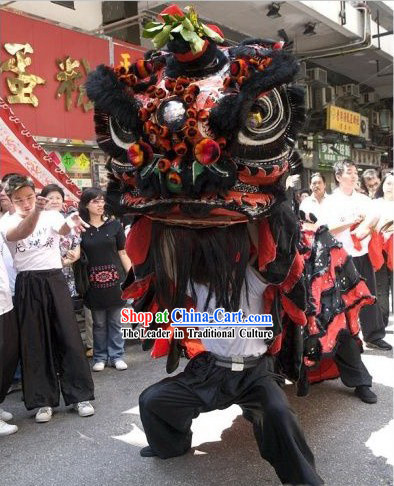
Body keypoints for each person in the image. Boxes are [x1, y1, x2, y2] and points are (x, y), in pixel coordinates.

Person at [1, 175, 95, 423]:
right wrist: (37, 212)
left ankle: (79, 396)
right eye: (18, 199)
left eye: (30, 197)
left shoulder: (51, 215)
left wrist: (71, 221)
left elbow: (62, 229)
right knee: (34, 341)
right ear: (10, 200)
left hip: (54, 278)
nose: (26, 202)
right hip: (27, 283)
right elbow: (22, 232)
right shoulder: (6, 223)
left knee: (69, 336)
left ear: (36, 194)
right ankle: (42, 401)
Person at [318, 160, 391, 351]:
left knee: (369, 293)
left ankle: (373, 335)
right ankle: (347, 339)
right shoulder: (330, 202)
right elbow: (327, 230)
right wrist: (351, 222)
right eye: (349, 173)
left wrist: (367, 228)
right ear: (338, 177)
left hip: (363, 252)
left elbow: (374, 221)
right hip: (342, 254)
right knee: (343, 297)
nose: (353, 176)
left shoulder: (364, 200)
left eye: (355, 173)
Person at [79, 188, 131, 372]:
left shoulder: (114, 225)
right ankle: (100, 357)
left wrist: (132, 276)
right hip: (93, 283)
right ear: (86, 204)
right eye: (95, 201)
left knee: (116, 321)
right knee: (99, 323)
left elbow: (122, 252)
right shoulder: (81, 229)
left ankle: (117, 355)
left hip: (116, 281)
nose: (100, 205)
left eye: (102, 201)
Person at [368, 172, 394, 328]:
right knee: (381, 287)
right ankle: (382, 321)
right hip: (378, 250)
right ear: (383, 185)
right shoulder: (374, 203)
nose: (391, 187)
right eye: (388, 183)